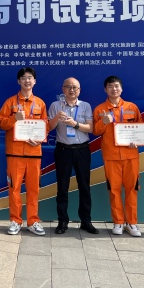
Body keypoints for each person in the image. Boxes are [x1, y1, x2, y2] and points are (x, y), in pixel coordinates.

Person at [0, 67, 48, 236]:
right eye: (24, 78)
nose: (27, 80)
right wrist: (14, 118)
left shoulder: (40, 103)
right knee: (14, 188)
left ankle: (33, 221)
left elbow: (45, 126)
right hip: (15, 154)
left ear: (35, 81)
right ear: (19, 81)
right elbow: (1, 123)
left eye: (30, 77)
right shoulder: (10, 102)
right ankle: (15, 221)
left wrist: (39, 139)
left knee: (33, 189)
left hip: (34, 153)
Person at [93, 76, 143, 237]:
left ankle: (132, 222)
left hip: (130, 156)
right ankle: (118, 222)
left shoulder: (132, 107)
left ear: (121, 88)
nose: (114, 89)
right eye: (110, 86)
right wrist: (104, 122)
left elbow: (140, 129)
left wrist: (137, 141)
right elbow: (95, 131)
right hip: (111, 156)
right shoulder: (100, 109)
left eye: (116, 86)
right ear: (105, 89)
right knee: (114, 190)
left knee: (132, 189)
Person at [48, 77, 98, 235]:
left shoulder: (85, 106)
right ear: (63, 89)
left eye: (75, 87)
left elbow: (90, 128)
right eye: (68, 87)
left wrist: (74, 124)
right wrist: (57, 117)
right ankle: (62, 221)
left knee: (84, 186)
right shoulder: (55, 105)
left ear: (79, 90)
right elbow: (48, 127)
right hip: (63, 150)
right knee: (62, 187)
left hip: (82, 149)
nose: (71, 90)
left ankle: (86, 221)